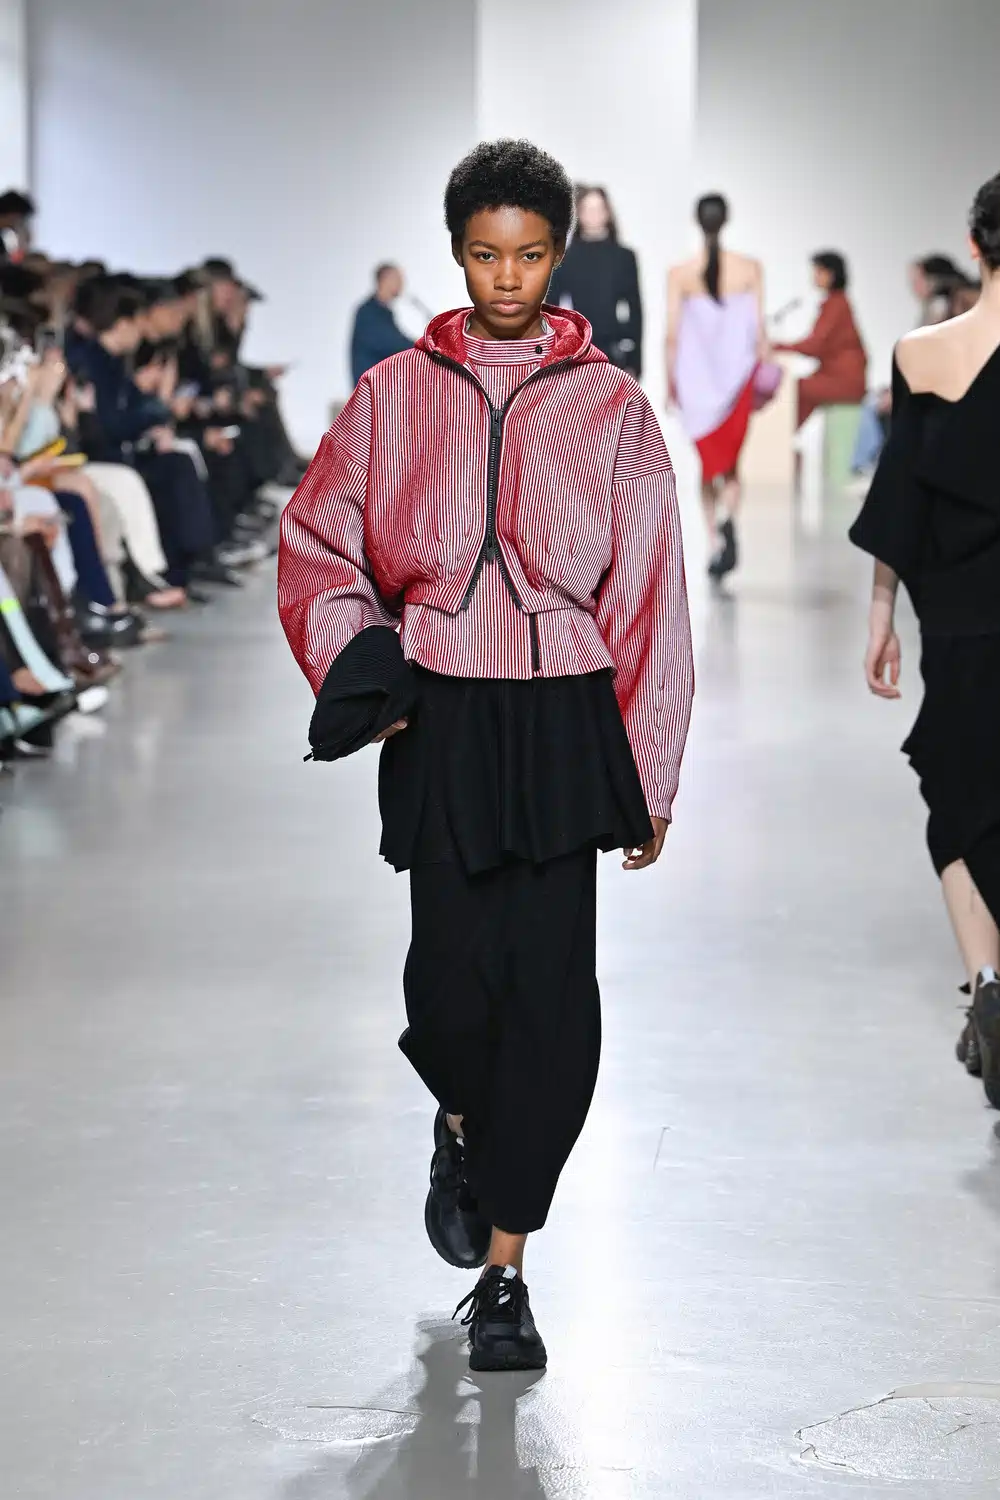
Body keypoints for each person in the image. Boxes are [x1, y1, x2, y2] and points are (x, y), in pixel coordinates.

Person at [278, 138, 694, 1373]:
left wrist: (649, 771)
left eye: (528, 255)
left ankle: (505, 1274)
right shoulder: (392, 393)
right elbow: (318, 543)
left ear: (557, 255)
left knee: (552, 1002)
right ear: (456, 253)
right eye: (483, 254)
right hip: (444, 713)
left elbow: (651, 597)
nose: (506, 278)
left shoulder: (612, 407)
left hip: (565, 715)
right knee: (450, 994)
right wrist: (366, 671)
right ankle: (460, 1123)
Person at [849, 171, 1000, 1108]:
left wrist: (880, 617)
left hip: (955, 616)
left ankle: (986, 984)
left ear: (975, 248)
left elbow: (900, 494)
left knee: (960, 793)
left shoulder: (923, 353)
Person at [668, 193, 766, 580]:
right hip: (736, 381)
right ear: (726, 220)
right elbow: (759, 333)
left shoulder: (680, 273)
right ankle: (729, 518)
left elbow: (672, 335)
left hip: (697, 384)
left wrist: (671, 382)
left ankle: (713, 542)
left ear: (697, 221)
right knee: (733, 465)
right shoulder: (750, 269)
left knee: (707, 467)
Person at [549, 185, 642, 376]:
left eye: (599, 209)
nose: (594, 215)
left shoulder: (624, 257)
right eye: (588, 209)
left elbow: (635, 310)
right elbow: (552, 309)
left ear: (607, 213)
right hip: (578, 352)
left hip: (614, 351)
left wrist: (634, 360)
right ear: (579, 214)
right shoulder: (565, 257)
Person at [774, 251, 867, 427]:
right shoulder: (836, 302)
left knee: (798, 388)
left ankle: (784, 433)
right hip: (834, 373)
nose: (814, 276)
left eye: (819, 271)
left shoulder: (836, 305)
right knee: (799, 388)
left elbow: (815, 345)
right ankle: (786, 432)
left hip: (844, 379)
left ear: (832, 274)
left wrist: (778, 347)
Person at [349, 264, 412, 385]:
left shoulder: (385, 313)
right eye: (398, 278)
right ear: (385, 279)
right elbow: (391, 342)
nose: (402, 283)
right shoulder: (368, 312)